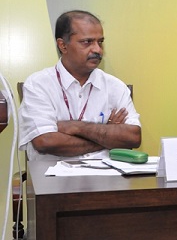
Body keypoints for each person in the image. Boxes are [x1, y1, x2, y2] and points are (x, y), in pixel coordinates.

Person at [19, 10, 141, 161]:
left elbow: (133, 137)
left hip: (106, 174)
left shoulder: (115, 87)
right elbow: (45, 142)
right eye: (87, 42)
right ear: (63, 46)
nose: (97, 49)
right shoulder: (38, 85)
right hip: (53, 174)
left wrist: (76, 127)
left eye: (100, 42)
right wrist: (107, 136)